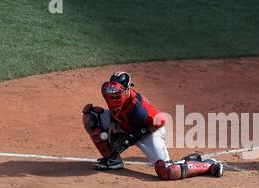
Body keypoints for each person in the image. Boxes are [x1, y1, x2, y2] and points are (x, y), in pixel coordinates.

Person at [82, 72, 223, 180]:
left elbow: (161, 120)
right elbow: (114, 108)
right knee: (91, 117)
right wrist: (113, 122)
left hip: (150, 131)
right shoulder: (114, 94)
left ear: (126, 90)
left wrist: (128, 140)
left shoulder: (139, 110)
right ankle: (112, 161)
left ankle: (209, 165)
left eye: (117, 93)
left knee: (167, 171)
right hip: (126, 124)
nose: (113, 97)